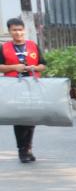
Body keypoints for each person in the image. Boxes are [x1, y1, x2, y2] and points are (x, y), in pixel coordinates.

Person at [1, 16, 46, 163]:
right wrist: (15, 67)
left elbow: (43, 65)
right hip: (14, 85)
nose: (18, 33)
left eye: (20, 30)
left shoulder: (33, 45)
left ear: (24, 30)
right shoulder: (4, 48)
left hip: (32, 85)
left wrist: (34, 68)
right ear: (9, 31)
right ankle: (22, 150)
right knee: (19, 118)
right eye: (14, 30)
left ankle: (28, 148)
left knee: (31, 118)